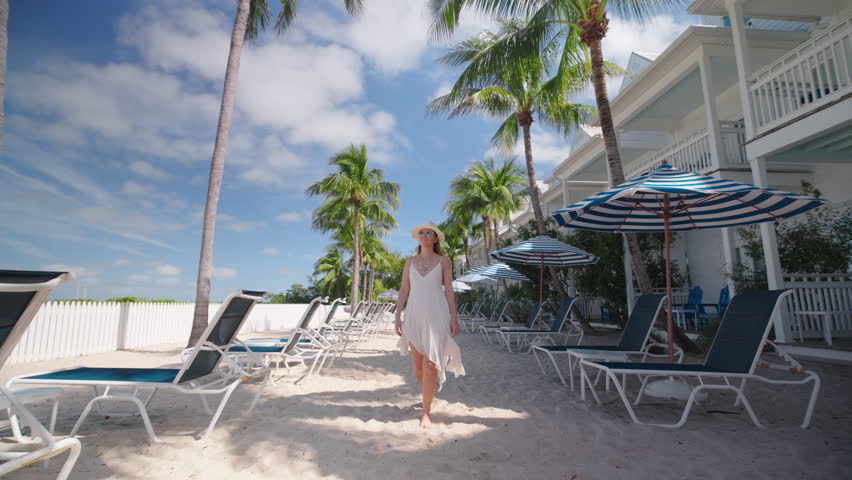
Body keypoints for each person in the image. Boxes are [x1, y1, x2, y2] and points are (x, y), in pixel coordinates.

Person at [394, 220, 465, 429]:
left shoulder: (444, 262)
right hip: (414, 315)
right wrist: (397, 316)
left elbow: (449, 291)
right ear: (419, 238)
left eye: (429, 233)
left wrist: (454, 317)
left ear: (435, 238)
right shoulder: (410, 262)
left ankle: (426, 413)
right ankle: (428, 393)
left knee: (431, 364)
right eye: (422, 232)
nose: (425, 235)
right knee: (418, 366)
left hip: (437, 315)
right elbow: (404, 290)